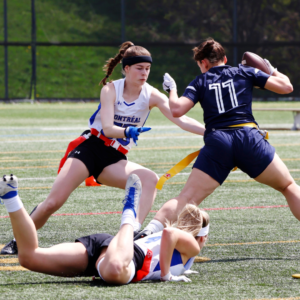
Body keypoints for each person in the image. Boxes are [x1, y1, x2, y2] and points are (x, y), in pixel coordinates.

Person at [1, 41, 206, 254]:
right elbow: (108, 128)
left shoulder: (152, 94)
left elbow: (181, 119)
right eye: (139, 68)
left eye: (147, 68)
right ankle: (17, 240)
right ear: (126, 68)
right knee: (53, 202)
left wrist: (210, 132)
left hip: (114, 157)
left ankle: (134, 232)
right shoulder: (110, 89)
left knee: (150, 179)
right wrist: (128, 131)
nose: (144, 73)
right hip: (90, 149)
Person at [135, 37, 300, 239]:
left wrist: (172, 90)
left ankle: (149, 232)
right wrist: (270, 69)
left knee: (187, 198)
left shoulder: (200, 81)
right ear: (225, 58)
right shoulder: (245, 71)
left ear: (203, 63)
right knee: (288, 186)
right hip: (248, 137)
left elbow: (177, 109)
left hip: (218, 141)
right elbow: (287, 87)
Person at [0, 174, 209, 284]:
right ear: (201, 237)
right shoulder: (192, 247)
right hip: (126, 258)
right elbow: (170, 233)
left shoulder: (184, 257)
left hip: (107, 253)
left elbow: (169, 231)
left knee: (29, 258)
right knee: (115, 270)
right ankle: (129, 211)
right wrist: (166, 276)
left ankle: (10, 197)